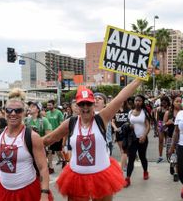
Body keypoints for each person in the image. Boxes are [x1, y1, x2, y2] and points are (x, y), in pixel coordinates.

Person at [43, 72, 149, 201]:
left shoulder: (101, 118)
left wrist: (139, 79)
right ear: (77, 105)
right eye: (82, 104)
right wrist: (26, 141)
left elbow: (121, 97)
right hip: (76, 178)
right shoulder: (70, 122)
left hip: (102, 176)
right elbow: (49, 139)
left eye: (89, 103)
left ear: (93, 104)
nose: (85, 107)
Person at [0, 88, 53, 201]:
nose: (13, 113)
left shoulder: (32, 137)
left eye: (18, 110)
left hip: (28, 192)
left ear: (24, 112)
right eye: (9, 110)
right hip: (2, 192)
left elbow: (43, 168)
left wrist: (44, 193)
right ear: (5, 112)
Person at [125, 94, 151, 187]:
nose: (138, 102)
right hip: (133, 139)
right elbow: (128, 124)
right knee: (131, 159)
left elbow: (148, 126)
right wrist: (129, 126)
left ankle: (145, 171)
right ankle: (127, 179)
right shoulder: (130, 112)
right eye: (136, 100)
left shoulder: (145, 112)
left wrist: (144, 136)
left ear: (142, 102)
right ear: (134, 101)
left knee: (142, 157)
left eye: (140, 100)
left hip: (142, 139)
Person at [163, 95, 182, 182]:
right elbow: (161, 127)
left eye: (180, 101)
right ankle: (171, 164)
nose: (178, 103)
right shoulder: (168, 113)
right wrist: (167, 123)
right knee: (170, 155)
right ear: (173, 102)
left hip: (181, 138)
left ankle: (176, 173)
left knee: (178, 155)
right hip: (170, 137)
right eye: (176, 101)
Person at [46, 99, 64, 173]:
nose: (48, 106)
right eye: (47, 105)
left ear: (54, 105)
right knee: (50, 151)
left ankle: (64, 160)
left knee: (58, 151)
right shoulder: (47, 113)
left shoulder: (59, 113)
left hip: (58, 135)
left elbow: (62, 124)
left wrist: (61, 135)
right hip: (50, 135)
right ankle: (50, 167)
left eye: (50, 105)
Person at [112, 99, 130, 171]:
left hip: (126, 132)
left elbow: (131, 120)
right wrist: (115, 128)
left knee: (125, 149)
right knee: (121, 150)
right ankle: (125, 164)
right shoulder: (115, 110)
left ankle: (123, 166)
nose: (120, 103)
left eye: (122, 101)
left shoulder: (128, 110)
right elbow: (112, 122)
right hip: (118, 132)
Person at [156, 95, 170, 163]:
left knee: (168, 141)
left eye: (165, 102)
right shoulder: (159, 109)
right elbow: (158, 119)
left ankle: (168, 155)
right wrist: (157, 128)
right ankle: (160, 156)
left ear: (167, 102)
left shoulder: (170, 109)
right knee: (160, 140)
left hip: (168, 125)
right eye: (162, 102)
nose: (164, 103)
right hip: (161, 124)